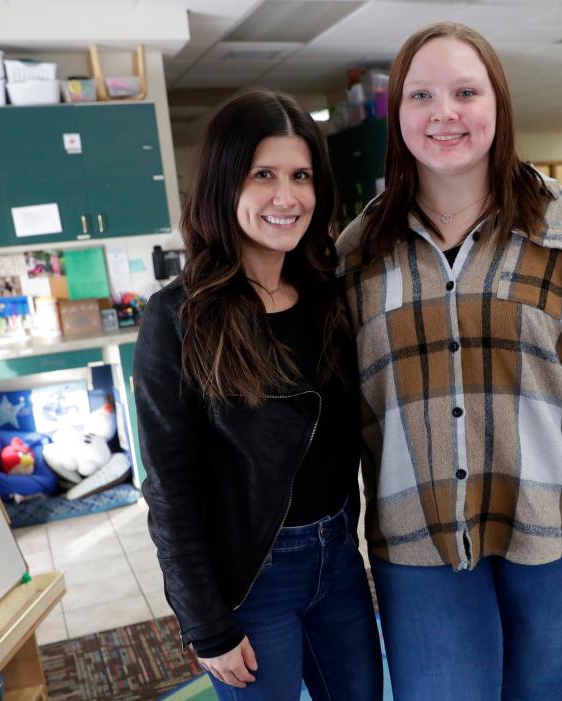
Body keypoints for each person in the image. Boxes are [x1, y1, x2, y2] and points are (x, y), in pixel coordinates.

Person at [335, 22, 562, 701]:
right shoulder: (359, 253)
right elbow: (339, 412)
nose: (445, 113)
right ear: (397, 115)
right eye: (421, 95)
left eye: (465, 91)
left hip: (550, 528)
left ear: (498, 105)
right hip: (417, 537)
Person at [134, 88, 382, 701]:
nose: (286, 197)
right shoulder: (178, 317)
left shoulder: (330, 298)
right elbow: (169, 485)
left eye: (301, 176)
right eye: (263, 175)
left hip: (341, 561)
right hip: (253, 579)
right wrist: (205, 623)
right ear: (224, 184)